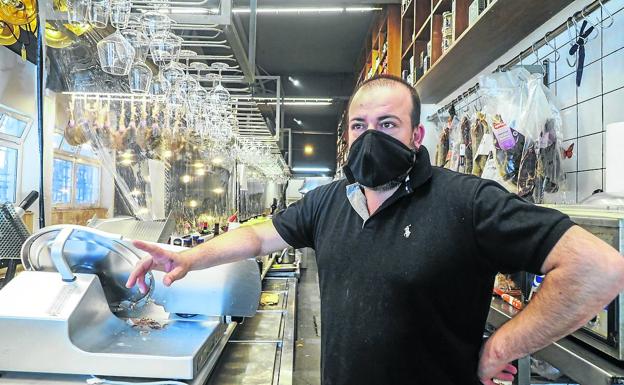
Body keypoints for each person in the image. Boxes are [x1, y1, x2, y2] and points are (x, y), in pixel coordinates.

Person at [126, 75, 624, 385]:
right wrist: (191, 258)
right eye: (358, 125)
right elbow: (259, 236)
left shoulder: (467, 201)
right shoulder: (326, 203)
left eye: (387, 124)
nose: (370, 136)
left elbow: (598, 267)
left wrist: (500, 348)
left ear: (416, 135)